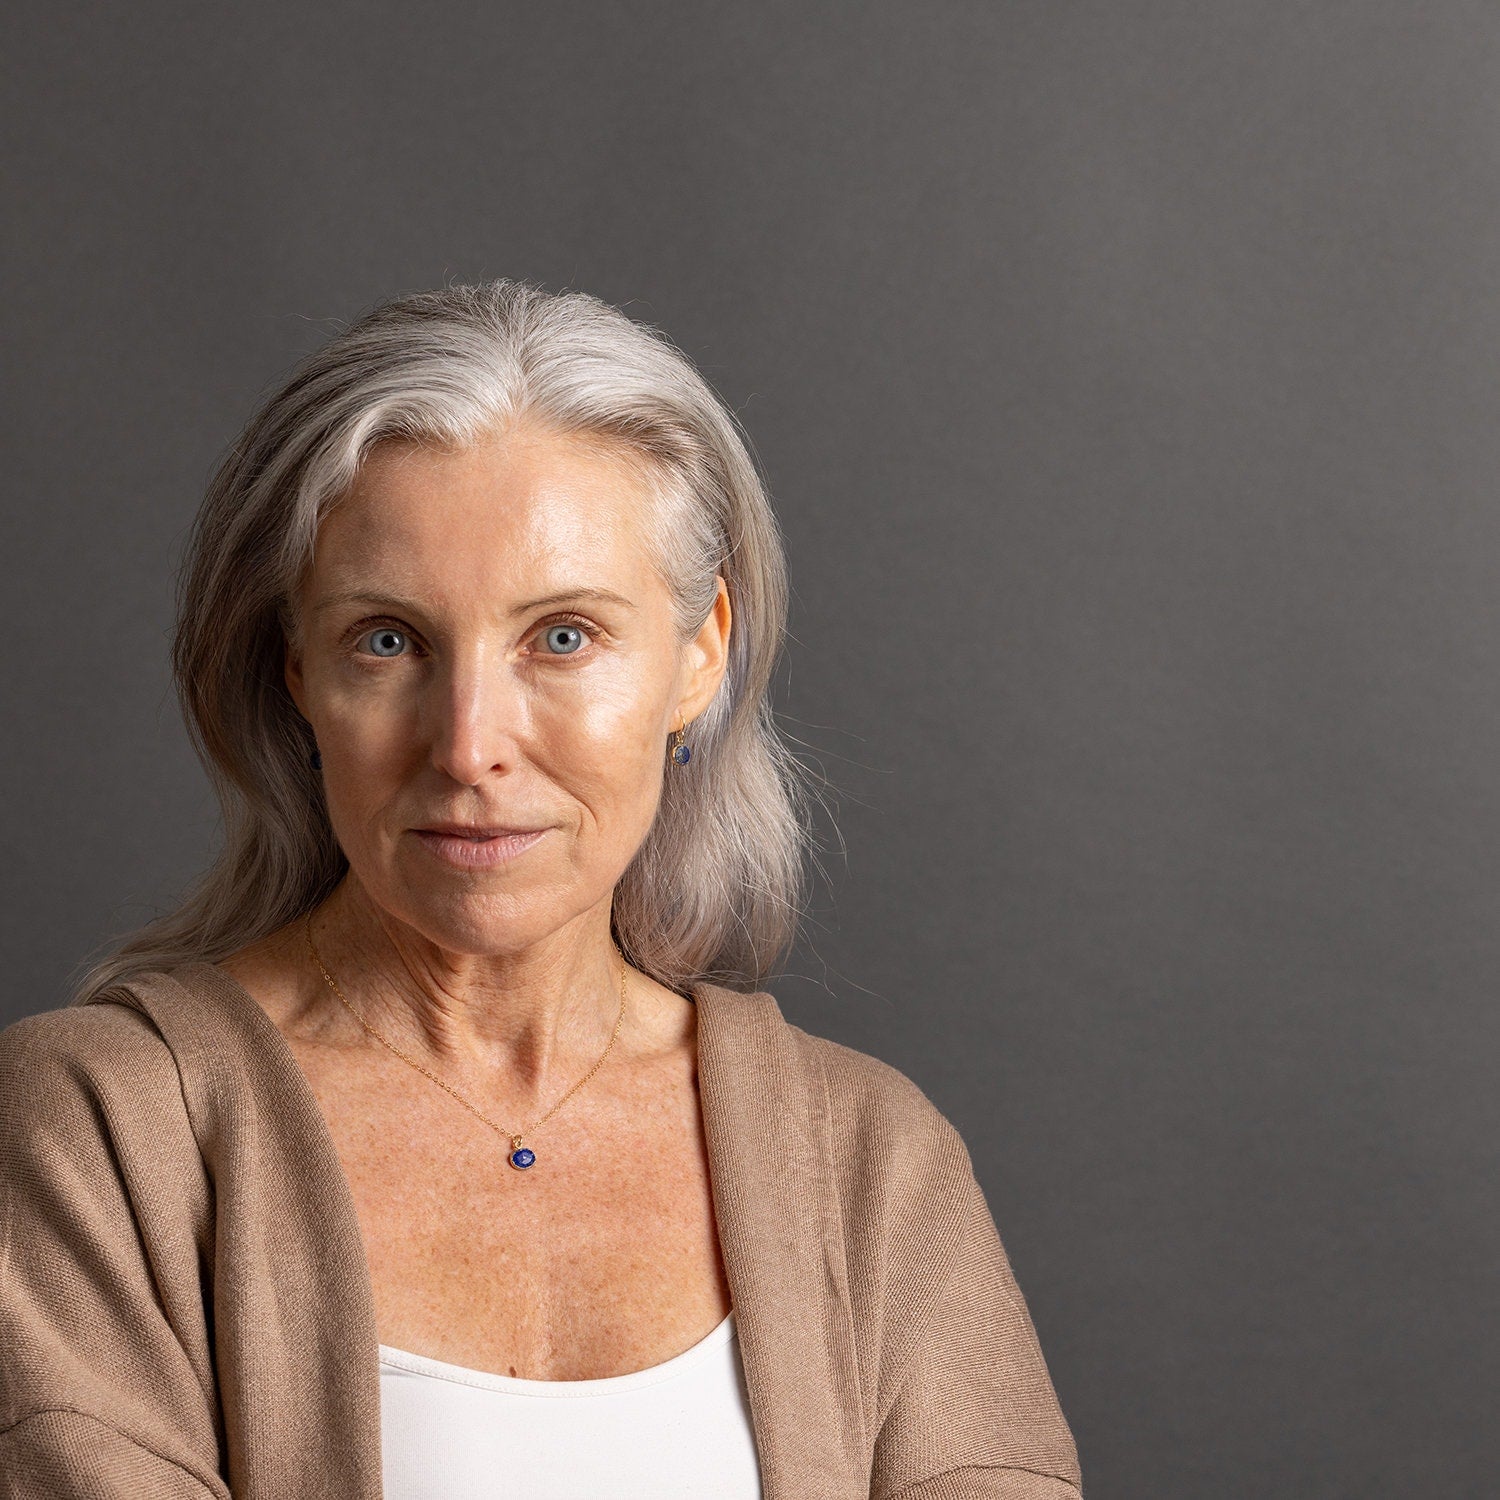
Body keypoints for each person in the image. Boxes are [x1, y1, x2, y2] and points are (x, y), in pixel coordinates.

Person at [0, 280, 1083, 1498]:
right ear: (296, 671)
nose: (468, 745)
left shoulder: (871, 1161)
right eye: (388, 639)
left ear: (699, 655)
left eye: (562, 636)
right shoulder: (100, 1130)